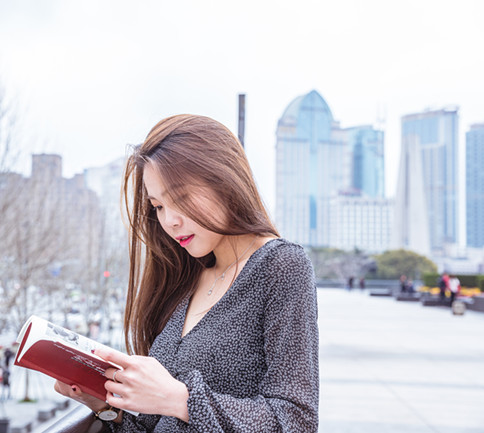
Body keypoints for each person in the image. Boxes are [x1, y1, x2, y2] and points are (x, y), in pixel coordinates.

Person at [52, 114, 319, 431]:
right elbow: (155, 425)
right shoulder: (187, 278)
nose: (170, 221)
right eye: (158, 206)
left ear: (225, 180)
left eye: (181, 197)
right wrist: (103, 404)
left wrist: (179, 399)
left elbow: (296, 421)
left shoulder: (281, 266)